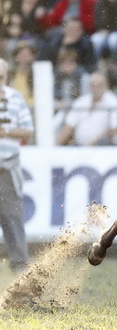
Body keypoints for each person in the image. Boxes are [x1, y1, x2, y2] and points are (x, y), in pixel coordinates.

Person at [0, 58, 34, 273]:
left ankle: (20, 265)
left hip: (6, 167)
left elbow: (28, 130)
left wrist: (6, 132)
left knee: (12, 216)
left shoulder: (15, 98)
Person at [56, 72, 117, 146]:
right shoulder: (81, 102)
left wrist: (94, 143)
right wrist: (55, 146)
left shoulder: (113, 102)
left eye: (99, 85)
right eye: (93, 85)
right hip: (81, 147)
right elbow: (68, 126)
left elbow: (114, 129)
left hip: (105, 147)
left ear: (106, 86)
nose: (96, 88)